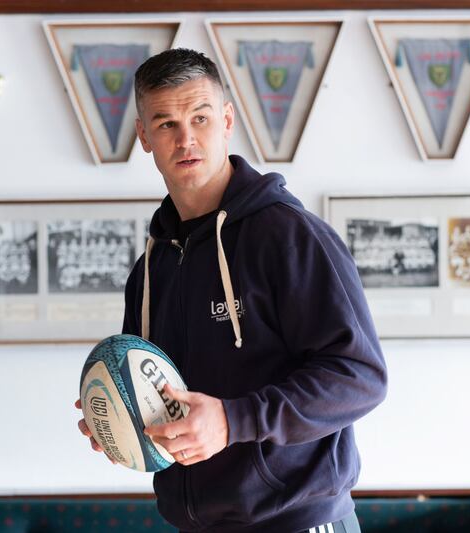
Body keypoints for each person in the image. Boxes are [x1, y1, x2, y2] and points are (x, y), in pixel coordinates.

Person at [76, 48, 387, 533]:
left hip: (297, 521)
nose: (186, 139)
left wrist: (233, 420)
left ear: (226, 120)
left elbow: (360, 376)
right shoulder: (151, 268)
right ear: (143, 136)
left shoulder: (290, 236)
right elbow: (157, 389)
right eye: (165, 124)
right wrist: (121, 417)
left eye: (200, 117)